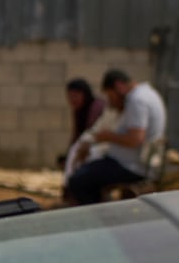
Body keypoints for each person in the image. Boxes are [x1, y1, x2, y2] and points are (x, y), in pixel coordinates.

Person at [66, 68, 167, 206]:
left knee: (78, 181)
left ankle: (99, 216)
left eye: (111, 96)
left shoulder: (136, 100)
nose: (111, 101)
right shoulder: (148, 94)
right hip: (134, 162)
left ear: (119, 86)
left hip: (131, 166)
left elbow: (135, 139)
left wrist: (107, 136)